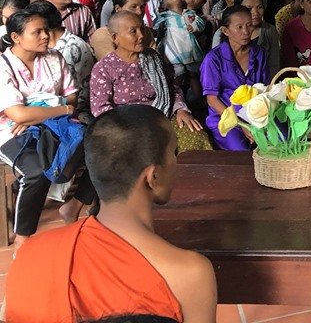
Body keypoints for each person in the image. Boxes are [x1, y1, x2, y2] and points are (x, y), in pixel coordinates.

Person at [5, 105, 218, 323]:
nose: (176, 161)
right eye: (174, 152)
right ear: (152, 177)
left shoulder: (31, 255)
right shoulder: (190, 274)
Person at [0, 9, 95, 249]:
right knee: (36, 171)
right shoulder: (3, 66)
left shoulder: (54, 57)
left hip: (57, 126)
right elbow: (17, 116)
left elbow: (72, 98)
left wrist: (38, 111)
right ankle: (23, 238)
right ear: (16, 37)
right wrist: (59, 107)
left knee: (103, 148)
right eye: (37, 32)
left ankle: (75, 204)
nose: (46, 36)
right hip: (12, 132)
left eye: (46, 30)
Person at [89, 11, 202, 131]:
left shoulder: (153, 58)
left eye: (142, 28)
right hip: (124, 125)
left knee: (194, 133)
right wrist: (128, 127)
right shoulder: (104, 68)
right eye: (133, 31)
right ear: (115, 38)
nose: (142, 35)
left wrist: (181, 110)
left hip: (161, 115)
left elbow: (172, 88)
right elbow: (101, 109)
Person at [201, 5, 269, 150]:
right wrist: (240, 124)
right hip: (225, 118)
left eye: (249, 25)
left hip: (256, 115)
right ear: (225, 31)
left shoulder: (259, 53)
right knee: (241, 150)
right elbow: (212, 99)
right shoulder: (214, 59)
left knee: (282, 140)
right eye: (239, 27)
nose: (246, 31)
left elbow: (265, 88)